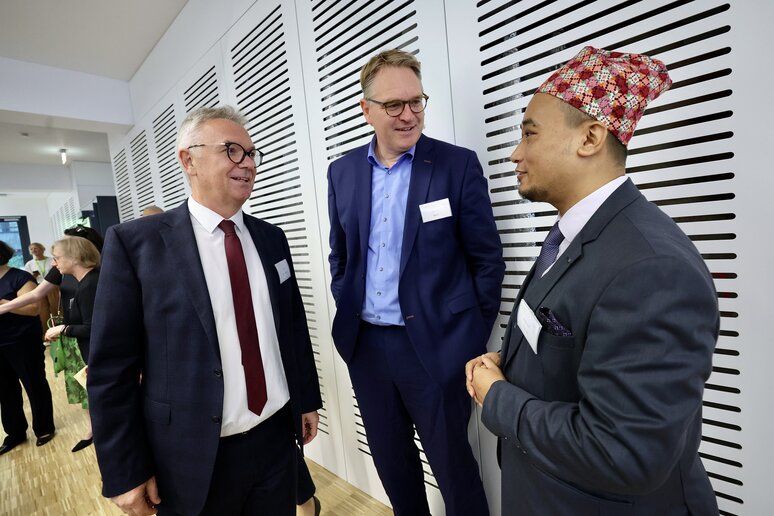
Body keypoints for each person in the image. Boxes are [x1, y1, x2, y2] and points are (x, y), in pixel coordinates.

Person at [466, 46, 719, 515]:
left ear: (590, 138)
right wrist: (514, 364)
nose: (516, 153)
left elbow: (623, 452)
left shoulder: (651, 268)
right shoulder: (577, 235)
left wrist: (497, 397)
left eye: (529, 134)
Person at [88, 105, 322, 516]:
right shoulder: (136, 245)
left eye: (251, 153)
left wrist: (306, 399)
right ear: (188, 160)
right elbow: (112, 369)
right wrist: (124, 471)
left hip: (275, 441)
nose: (248, 163)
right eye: (232, 150)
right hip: (190, 457)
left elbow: (292, 328)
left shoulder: (271, 238)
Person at [327, 49, 504, 516]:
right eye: (393, 105)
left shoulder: (456, 165)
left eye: (416, 101)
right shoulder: (342, 172)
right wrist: (348, 305)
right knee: (393, 465)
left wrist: (469, 340)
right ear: (367, 109)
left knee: (454, 470)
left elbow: (487, 261)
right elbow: (340, 255)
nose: (408, 115)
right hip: (367, 347)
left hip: (437, 348)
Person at [43, 236, 101, 452]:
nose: (54, 263)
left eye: (57, 258)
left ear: (75, 257)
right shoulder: (87, 282)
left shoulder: (89, 285)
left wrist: (63, 329)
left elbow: (94, 328)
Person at [0, 240, 56, 455]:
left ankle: (44, 428)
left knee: (34, 384)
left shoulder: (20, 277)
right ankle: (15, 433)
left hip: (22, 341)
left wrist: (5, 305)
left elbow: (33, 308)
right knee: (5, 390)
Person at [24, 242, 59, 333]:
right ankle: (46, 333)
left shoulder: (51, 260)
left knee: (56, 308)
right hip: (38, 287)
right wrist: (33, 276)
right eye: (31, 249)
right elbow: (27, 278)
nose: (33, 250)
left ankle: (59, 330)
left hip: (52, 286)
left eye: (35, 248)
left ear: (42, 249)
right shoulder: (29, 264)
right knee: (43, 312)